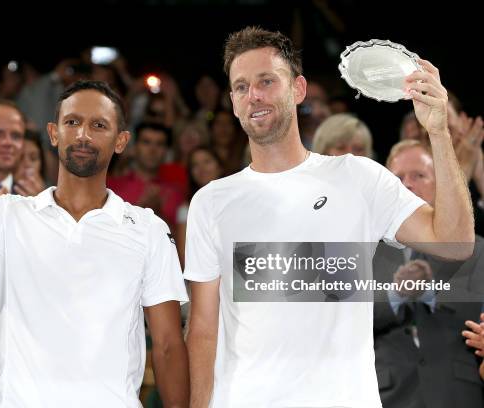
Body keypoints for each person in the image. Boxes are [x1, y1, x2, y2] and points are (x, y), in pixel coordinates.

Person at [184, 26, 474, 408]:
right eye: (241, 87)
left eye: (267, 81)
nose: (253, 95)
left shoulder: (359, 178)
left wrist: (438, 133)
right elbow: (204, 329)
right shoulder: (211, 202)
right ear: (233, 102)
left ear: (298, 89)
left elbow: (455, 243)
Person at [0, 58, 189, 408]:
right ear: (53, 132)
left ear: (121, 140)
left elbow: (168, 345)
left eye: (99, 125)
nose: (83, 134)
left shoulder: (148, 230)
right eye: (72, 122)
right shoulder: (5, 217)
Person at [373, 139, 484, 408]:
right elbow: (349, 317)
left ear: (442, 184)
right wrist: (397, 294)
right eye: (398, 178)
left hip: (457, 393)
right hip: (388, 395)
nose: (407, 185)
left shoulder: (475, 249)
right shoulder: (366, 252)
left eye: (419, 175)